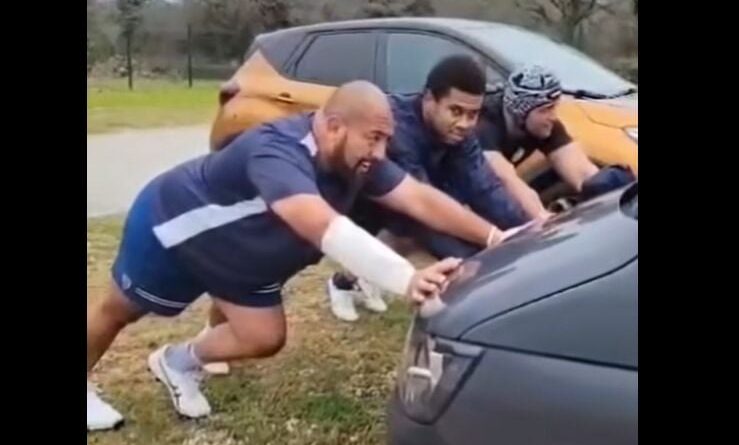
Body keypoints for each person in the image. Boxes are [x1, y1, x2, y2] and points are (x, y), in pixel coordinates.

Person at [87, 80, 512, 431]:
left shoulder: (357, 161)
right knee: (118, 310)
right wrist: (406, 279)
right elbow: (317, 223)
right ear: (332, 126)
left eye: (386, 139)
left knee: (264, 337)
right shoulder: (276, 149)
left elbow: (419, 199)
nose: (381, 152)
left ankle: (177, 362)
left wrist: (496, 235)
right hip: (176, 225)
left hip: (239, 255)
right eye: (374, 138)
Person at [325, 54, 534, 322]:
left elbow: (484, 187)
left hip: (416, 197)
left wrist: (531, 232)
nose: (465, 124)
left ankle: (358, 279)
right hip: (364, 196)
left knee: (403, 237)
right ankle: (343, 283)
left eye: (473, 114)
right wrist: (485, 258)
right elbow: (424, 211)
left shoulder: (462, 133)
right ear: (428, 99)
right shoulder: (396, 128)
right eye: (456, 111)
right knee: (433, 240)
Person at [478, 64, 634, 218]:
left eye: (554, 107)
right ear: (520, 112)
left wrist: (616, 202)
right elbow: (506, 179)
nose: (553, 116)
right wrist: (544, 219)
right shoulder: (484, 124)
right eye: (545, 109)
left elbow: (584, 174)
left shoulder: (543, 125)